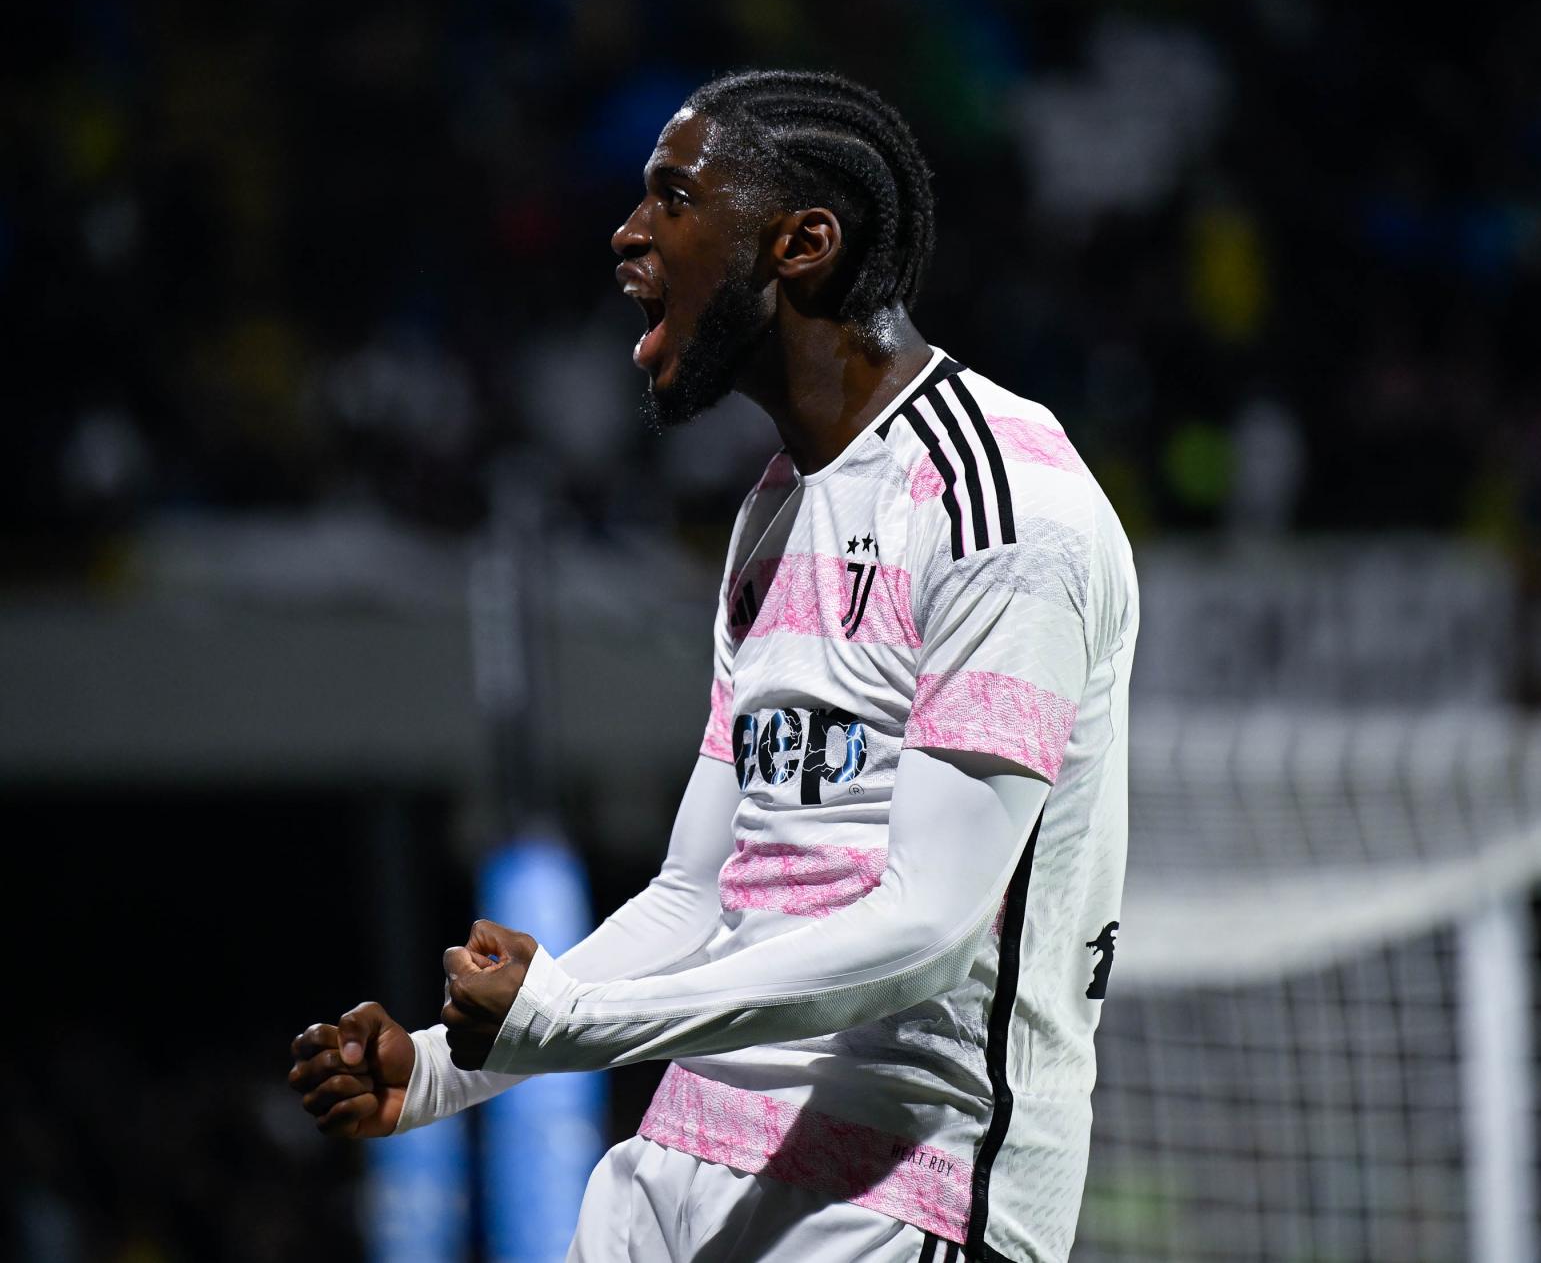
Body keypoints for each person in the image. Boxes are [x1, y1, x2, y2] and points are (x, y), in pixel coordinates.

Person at [287, 69, 1138, 1263]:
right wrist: (441, 1070)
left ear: (800, 244)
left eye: (672, 199)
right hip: (680, 1159)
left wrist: (570, 1019)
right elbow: (697, 896)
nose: (628, 235)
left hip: (893, 1193)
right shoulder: (772, 513)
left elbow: (929, 925)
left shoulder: (1001, 505)